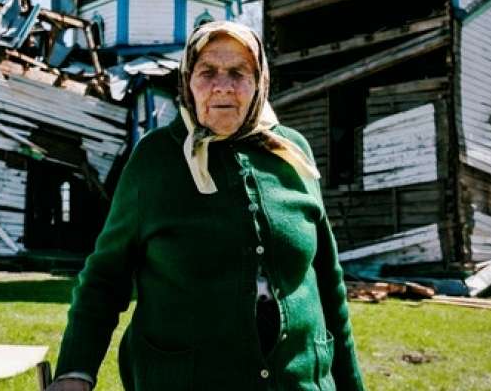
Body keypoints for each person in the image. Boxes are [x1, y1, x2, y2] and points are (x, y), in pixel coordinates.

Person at [48, 21, 364, 391]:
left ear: (259, 81)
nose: (223, 86)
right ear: (187, 81)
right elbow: (105, 277)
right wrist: (75, 371)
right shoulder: (155, 160)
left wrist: (351, 384)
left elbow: (328, 280)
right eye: (208, 72)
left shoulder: (293, 155)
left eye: (238, 73)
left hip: (300, 382)